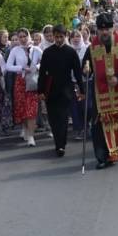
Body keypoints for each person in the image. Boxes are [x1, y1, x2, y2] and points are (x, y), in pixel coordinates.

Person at [81, 12, 118, 168]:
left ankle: (114, 153)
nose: (104, 32)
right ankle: (102, 157)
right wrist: (86, 69)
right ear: (97, 30)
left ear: (113, 29)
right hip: (100, 94)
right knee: (98, 126)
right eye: (101, 29)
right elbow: (86, 68)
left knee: (117, 123)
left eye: (107, 29)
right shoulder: (92, 48)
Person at [39, 24, 85, 156]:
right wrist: (40, 91)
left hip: (66, 89)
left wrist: (82, 90)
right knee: (53, 119)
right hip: (50, 89)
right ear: (53, 36)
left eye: (61, 37)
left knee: (63, 118)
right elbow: (42, 72)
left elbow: (77, 73)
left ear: (65, 37)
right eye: (56, 37)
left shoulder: (71, 52)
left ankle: (61, 145)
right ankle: (57, 142)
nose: (58, 39)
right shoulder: (47, 52)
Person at [6, 28, 43, 146]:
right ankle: (25, 129)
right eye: (20, 37)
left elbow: (44, 62)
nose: (22, 39)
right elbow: (8, 66)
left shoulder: (36, 49)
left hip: (32, 81)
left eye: (24, 36)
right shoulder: (15, 50)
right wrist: (20, 68)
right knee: (22, 108)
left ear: (28, 36)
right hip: (20, 81)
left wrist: (36, 67)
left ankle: (31, 136)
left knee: (31, 109)